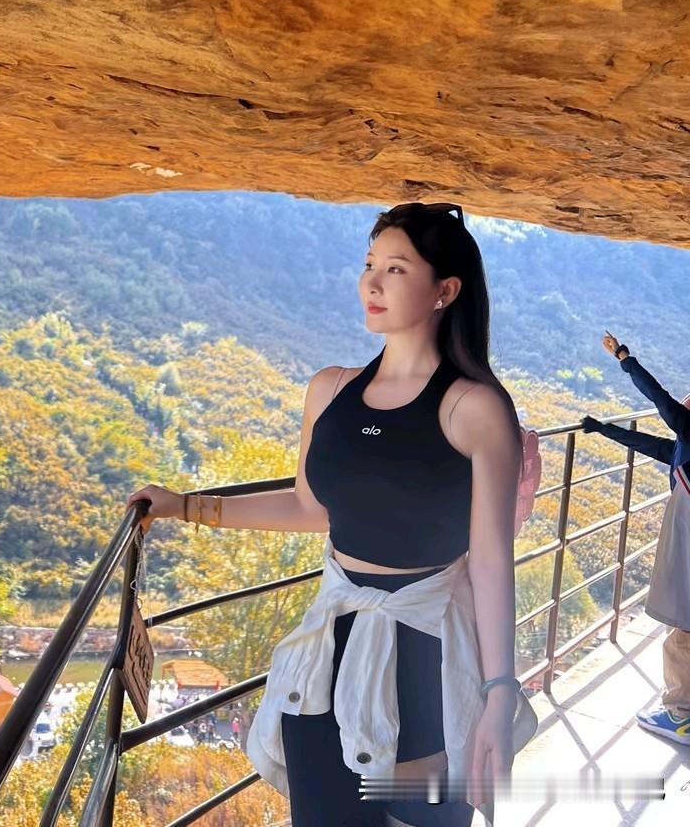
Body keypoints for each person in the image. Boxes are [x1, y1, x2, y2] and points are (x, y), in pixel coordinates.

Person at [127, 202, 524, 826]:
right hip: (327, 652)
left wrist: (501, 689)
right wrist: (187, 507)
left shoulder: (473, 409)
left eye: (396, 269)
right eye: (369, 265)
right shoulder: (330, 389)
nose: (371, 282)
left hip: (425, 655)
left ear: (445, 290)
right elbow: (310, 506)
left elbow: (492, 561)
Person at [581, 331, 690, 743]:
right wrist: (603, 429)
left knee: (682, 629)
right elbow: (648, 443)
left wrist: (624, 357)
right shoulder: (684, 447)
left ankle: (680, 715)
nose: (684, 401)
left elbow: (658, 398)